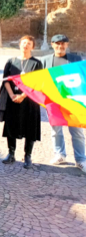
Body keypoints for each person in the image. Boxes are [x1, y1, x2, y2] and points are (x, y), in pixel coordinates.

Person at [41, 34, 85, 173]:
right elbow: (40, 79)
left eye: (63, 44)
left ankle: (81, 159)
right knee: (56, 130)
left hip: (72, 101)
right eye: (57, 43)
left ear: (67, 44)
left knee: (77, 131)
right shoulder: (45, 60)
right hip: (54, 101)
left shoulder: (76, 59)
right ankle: (59, 154)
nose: (60, 46)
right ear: (52, 45)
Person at [0, 35, 43, 169]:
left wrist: (23, 96)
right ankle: (11, 153)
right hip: (13, 99)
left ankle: (28, 155)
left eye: (29, 43)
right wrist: (12, 95)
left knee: (30, 127)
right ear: (19, 45)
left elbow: (37, 82)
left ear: (33, 46)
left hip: (29, 101)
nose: (26, 45)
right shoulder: (11, 61)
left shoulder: (36, 63)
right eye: (23, 43)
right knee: (11, 125)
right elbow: (6, 80)